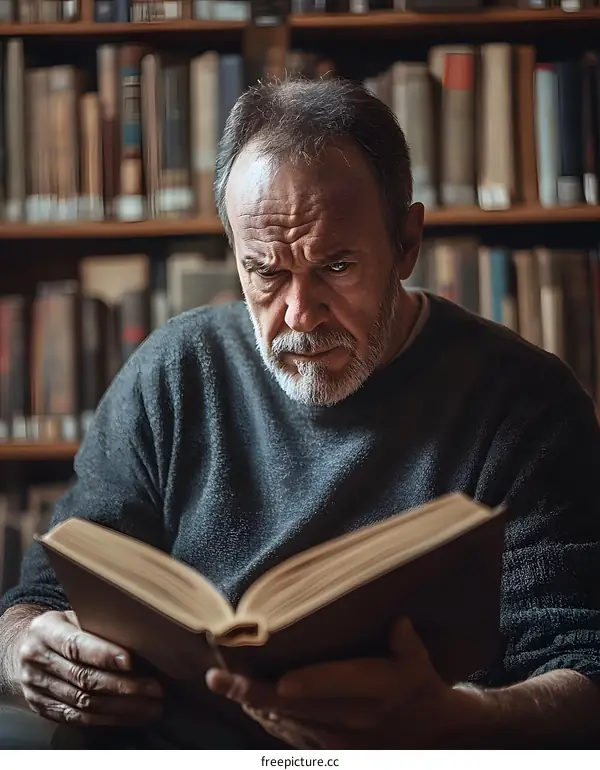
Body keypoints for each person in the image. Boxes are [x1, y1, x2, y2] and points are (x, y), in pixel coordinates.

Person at [1, 76, 600, 750]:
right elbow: (45, 593)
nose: (299, 314)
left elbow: (581, 663)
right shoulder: (172, 372)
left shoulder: (524, 403)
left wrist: (455, 723)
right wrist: (26, 647)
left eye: (337, 266)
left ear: (407, 243)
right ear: (234, 252)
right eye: (266, 271)